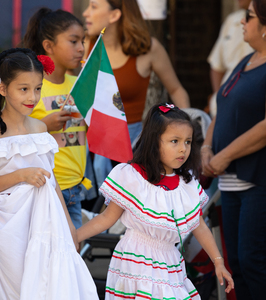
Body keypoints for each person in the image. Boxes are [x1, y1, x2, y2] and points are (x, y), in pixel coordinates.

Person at [0, 47, 98, 299]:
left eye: (38, 88)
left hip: (45, 224)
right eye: (24, 89)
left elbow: (52, 182)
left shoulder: (40, 128)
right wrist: (21, 176)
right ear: (3, 88)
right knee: (18, 290)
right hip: (9, 231)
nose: (33, 97)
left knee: (49, 286)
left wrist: (68, 225)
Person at [77, 103, 234, 299]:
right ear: (154, 141)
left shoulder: (187, 185)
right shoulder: (133, 177)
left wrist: (218, 261)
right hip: (135, 259)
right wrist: (74, 237)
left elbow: (199, 226)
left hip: (170, 261)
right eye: (174, 141)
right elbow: (106, 218)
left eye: (187, 142)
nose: (182, 149)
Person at [82, 0, 191, 188]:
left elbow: (176, 90)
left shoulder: (148, 48)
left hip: (129, 146)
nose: (85, 13)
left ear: (114, 15)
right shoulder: (84, 44)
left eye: (93, 7)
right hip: (86, 143)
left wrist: (185, 133)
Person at [201, 1, 266, 298]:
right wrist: (206, 148)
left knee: (254, 261)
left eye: (249, 17)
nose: (242, 22)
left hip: (257, 180)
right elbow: (221, 108)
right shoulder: (247, 60)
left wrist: (225, 155)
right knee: (237, 262)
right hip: (229, 182)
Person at [23, 8, 90, 228]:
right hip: (47, 188)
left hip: (76, 189)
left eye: (83, 41)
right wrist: (44, 125)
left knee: (72, 257)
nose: (81, 48)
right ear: (48, 46)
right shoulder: (32, 88)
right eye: (73, 41)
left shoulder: (79, 86)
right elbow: (8, 134)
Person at [207, 0, 253, 117]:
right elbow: (217, 65)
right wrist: (219, 97)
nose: (243, 22)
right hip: (222, 109)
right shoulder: (231, 20)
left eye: (251, 18)